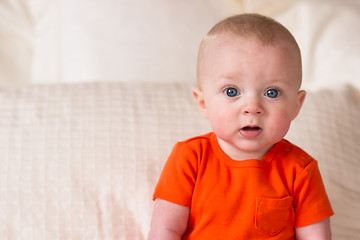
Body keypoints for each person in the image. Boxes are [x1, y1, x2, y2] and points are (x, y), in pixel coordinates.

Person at [148, 13, 334, 240]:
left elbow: (316, 237)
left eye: (271, 92)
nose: (252, 107)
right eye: (232, 91)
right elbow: (164, 231)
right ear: (203, 103)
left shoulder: (300, 170)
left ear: (296, 106)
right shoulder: (190, 158)